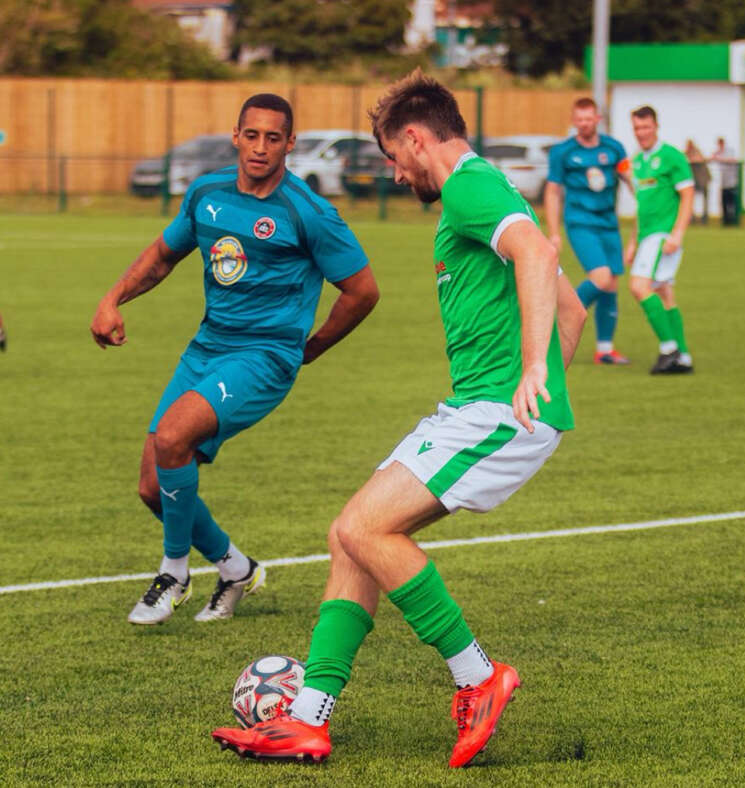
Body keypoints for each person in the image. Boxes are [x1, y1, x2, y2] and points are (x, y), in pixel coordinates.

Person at [211, 70, 586, 768]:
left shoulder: (471, 186)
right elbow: (573, 309)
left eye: (392, 156)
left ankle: (478, 678)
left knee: (363, 528)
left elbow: (538, 255)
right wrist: (544, 390)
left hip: (492, 409)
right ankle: (308, 719)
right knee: (348, 537)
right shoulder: (483, 193)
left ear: (416, 139)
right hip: (481, 407)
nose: (394, 172)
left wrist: (532, 375)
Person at [90, 93, 378, 626]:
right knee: (153, 487)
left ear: (290, 144)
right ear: (236, 136)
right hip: (208, 346)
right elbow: (162, 256)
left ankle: (174, 574)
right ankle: (236, 569)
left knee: (173, 437)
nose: (261, 147)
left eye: (274, 138)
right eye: (252, 135)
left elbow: (362, 290)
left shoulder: (308, 212)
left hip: (264, 356)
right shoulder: (207, 192)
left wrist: (311, 347)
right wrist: (113, 299)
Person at [545, 97, 631, 365]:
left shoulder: (614, 148)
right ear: (574, 121)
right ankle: (556, 319)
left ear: (597, 119)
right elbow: (552, 191)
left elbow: (631, 178)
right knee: (601, 277)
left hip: (609, 222)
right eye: (579, 119)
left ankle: (604, 350)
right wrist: (554, 232)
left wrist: (647, 198)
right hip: (580, 222)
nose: (583, 124)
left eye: (588, 119)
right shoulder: (563, 152)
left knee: (611, 283)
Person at [625, 106, 694, 374]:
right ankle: (683, 357)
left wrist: (677, 233)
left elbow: (687, 196)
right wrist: (633, 241)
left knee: (638, 286)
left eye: (646, 127)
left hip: (662, 234)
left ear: (656, 126)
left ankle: (669, 348)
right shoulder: (637, 162)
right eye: (637, 128)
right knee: (664, 294)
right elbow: (642, 206)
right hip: (646, 236)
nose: (641, 132)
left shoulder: (672, 156)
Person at [710, 137, 740, 226]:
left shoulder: (729, 151)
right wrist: (716, 153)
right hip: (723, 183)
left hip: (732, 183)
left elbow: (732, 160)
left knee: (732, 204)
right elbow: (712, 157)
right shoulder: (719, 152)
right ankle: (725, 222)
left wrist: (718, 157)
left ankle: (733, 221)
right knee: (724, 204)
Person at [684, 139, 711, 225]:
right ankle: (692, 217)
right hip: (694, 181)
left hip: (703, 180)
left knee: (705, 200)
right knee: (690, 199)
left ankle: (704, 218)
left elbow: (699, 159)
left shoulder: (697, 152)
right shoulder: (687, 153)